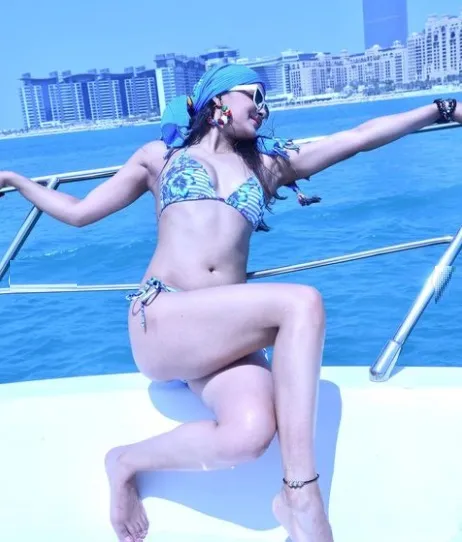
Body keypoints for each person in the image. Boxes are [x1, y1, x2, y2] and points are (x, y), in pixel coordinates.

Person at [0, 63, 460, 542]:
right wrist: (14, 179)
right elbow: (79, 212)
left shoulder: (267, 166)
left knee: (249, 434)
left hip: (220, 336)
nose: (263, 109)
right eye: (253, 96)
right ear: (218, 99)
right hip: (163, 318)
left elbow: (358, 137)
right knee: (301, 304)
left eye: (266, 101)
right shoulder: (161, 157)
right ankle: (301, 495)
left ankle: (125, 461)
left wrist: (441, 109)